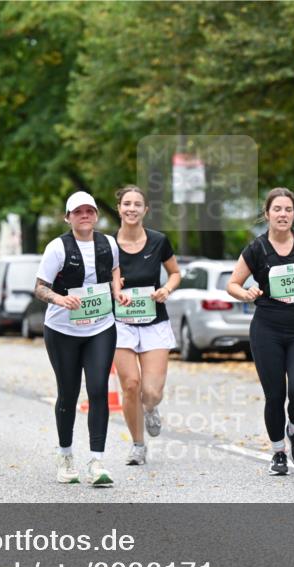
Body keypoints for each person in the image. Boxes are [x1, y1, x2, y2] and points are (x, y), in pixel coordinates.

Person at [227, 187, 294, 476]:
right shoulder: (257, 249)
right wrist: (245, 293)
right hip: (267, 329)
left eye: (287, 209)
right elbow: (233, 283)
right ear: (267, 214)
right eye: (277, 210)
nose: (282, 214)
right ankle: (278, 452)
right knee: (275, 396)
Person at [34, 191, 130, 487]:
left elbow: (114, 268)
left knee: (99, 388)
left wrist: (117, 291)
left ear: (96, 215)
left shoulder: (109, 243)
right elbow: (39, 287)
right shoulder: (57, 248)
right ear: (68, 217)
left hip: (100, 326)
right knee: (69, 392)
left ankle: (97, 461)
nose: (84, 215)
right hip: (63, 330)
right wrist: (58, 299)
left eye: (89, 210)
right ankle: (65, 457)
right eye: (78, 212)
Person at [112, 185, 180, 466]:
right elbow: (95, 278)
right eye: (126, 203)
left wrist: (166, 289)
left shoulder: (158, 240)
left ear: (145, 210)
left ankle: (150, 408)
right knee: (130, 384)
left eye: (137, 204)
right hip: (120, 322)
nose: (131, 208)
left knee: (150, 391)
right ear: (119, 208)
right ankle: (138, 445)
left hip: (153, 321)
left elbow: (175, 273)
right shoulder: (106, 244)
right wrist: (114, 286)